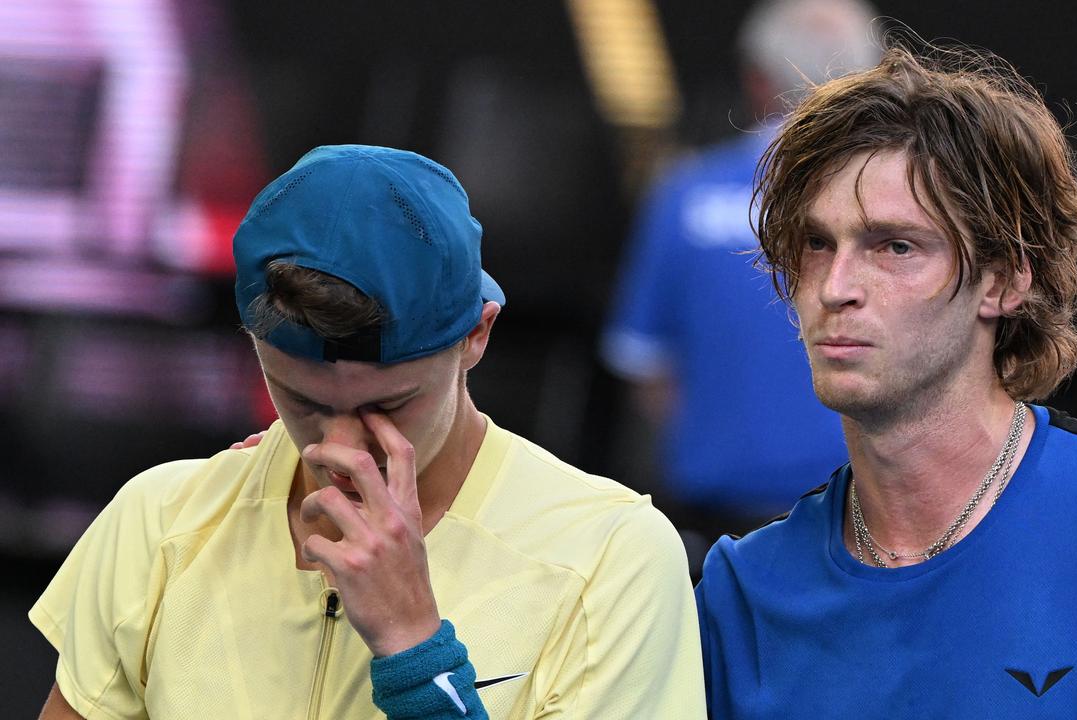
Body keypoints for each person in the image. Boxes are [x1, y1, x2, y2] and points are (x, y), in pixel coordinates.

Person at [695, 45, 1077, 718]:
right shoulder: (744, 589)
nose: (836, 287)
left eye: (896, 246)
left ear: (1005, 280)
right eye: (817, 244)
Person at [30, 145, 705, 719]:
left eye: (392, 404)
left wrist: (416, 651)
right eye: (300, 401)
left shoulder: (612, 559)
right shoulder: (160, 522)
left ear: (478, 335)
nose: (341, 450)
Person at [600, 0, 880, 548]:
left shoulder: (684, 192)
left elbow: (644, 366)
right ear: (871, 81)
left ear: (756, 78)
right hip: (863, 516)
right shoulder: (901, 202)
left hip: (710, 527)